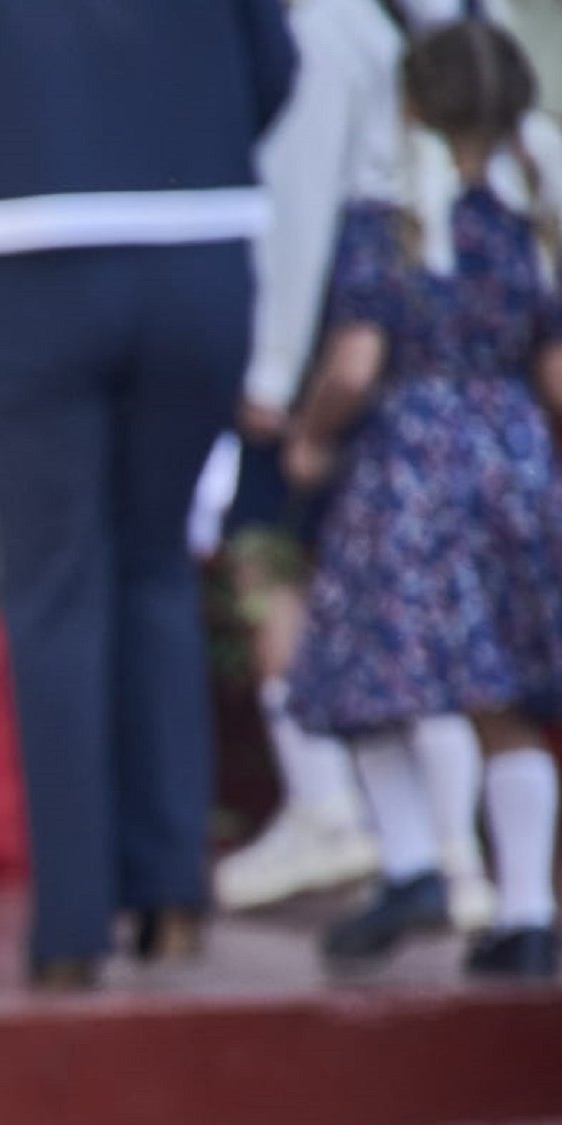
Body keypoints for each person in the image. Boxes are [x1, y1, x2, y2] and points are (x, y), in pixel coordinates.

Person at [0, 0, 297, 986]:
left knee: (52, 588)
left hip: (25, 249)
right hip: (199, 249)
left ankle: (71, 928)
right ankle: (169, 896)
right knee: (156, 566)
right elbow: (275, 67)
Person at [284, 21, 562, 980]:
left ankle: (411, 861)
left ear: (408, 105)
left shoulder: (391, 217)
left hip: (411, 462)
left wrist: (313, 432)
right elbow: (556, 368)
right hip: (515, 455)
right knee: (504, 692)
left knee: (364, 672)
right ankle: (526, 906)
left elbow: (357, 360)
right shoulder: (533, 217)